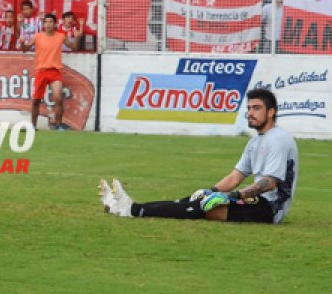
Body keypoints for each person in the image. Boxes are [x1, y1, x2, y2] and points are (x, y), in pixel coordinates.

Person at [100, 89, 299, 224]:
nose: (250, 113)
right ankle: (127, 207)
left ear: (271, 112)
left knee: (204, 208)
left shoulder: (278, 139)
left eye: (256, 108)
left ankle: (132, 210)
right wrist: (210, 190)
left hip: (270, 208)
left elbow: (270, 183)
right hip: (257, 201)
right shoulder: (255, 142)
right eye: (248, 108)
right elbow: (235, 177)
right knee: (201, 198)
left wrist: (233, 196)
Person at [26, 13, 77, 130]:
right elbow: (25, 49)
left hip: (55, 71)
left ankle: (58, 124)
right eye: (46, 22)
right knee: (36, 100)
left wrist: (77, 37)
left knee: (58, 98)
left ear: (55, 24)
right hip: (41, 71)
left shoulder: (61, 36)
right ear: (43, 24)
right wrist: (24, 43)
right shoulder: (37, 36)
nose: (48, 24)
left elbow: (74, 48)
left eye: (50, 22)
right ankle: (33, 126)